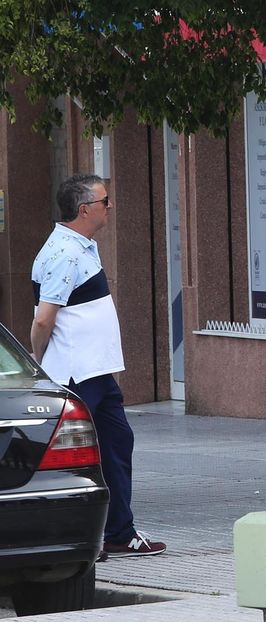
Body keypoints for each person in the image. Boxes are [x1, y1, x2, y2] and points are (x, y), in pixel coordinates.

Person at [31, 174, 167, 557]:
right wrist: (39, 363)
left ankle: (118, 532)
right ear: (84, 209)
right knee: (77, 458)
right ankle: (77, 537)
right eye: (105, 200)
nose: (110, 206)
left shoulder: (82, 247)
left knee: (117, 445)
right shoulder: (65, 254)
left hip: (97, 372)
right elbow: (44, 318)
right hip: (76, 374)